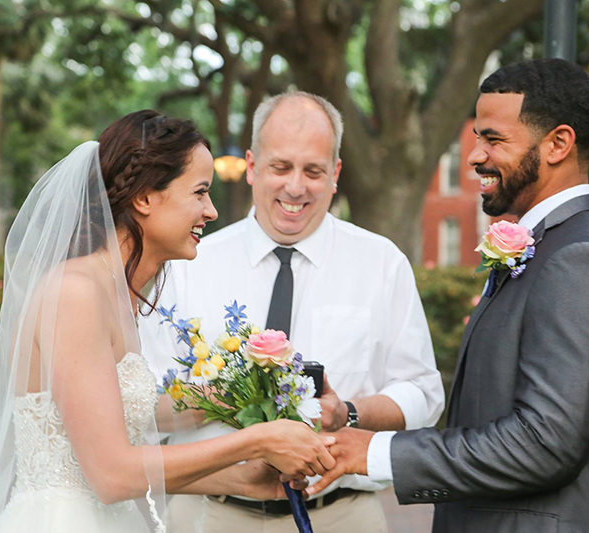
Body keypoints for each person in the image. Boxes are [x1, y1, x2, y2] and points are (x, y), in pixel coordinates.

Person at [0, 110, 336, 533]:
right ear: (144, 198)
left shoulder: (116, 292)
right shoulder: (74, 293)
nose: (212, 211)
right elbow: (112, 476)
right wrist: (259, 439)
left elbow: (119, 424)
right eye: (200, 192)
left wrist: (240, 475)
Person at [309, 58, 589, 533]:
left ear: (558, 144)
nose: (473, 156)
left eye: (493, 139)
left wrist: (375, 452)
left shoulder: (583, 259)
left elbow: (544, 444)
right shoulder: (549, 247)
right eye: (476, 138)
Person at [138, 91, 445, 532]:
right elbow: (142, 404)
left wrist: (347, 412)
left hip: (343, 515)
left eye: (313, 171)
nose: (296, 187)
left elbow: (423, 393)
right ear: (252, 166)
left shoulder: (382, 263)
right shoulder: (187, 264)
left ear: (335, 174)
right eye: (281, 167)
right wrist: (223, 400)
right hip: (209, 514)